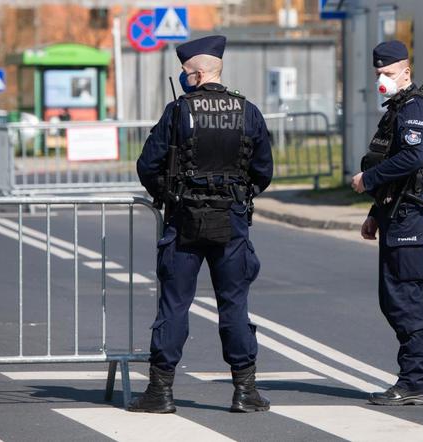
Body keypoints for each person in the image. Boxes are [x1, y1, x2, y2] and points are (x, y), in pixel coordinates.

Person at [131, 35, 274, 414]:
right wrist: (239, 195)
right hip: (232, 220)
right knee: (234, 306)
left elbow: (147, 165)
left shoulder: (178, 112)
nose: (182, 78)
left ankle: (160, 392)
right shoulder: (248, 111)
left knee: (174, 305)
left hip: (184, 221)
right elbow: (264, 171)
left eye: (183, 72)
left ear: (194, 74)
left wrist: (168, 194)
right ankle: (245, 392)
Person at [351, 40, 423, 406]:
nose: (381, 80)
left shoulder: (414, 106)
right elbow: (393, 162)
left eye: (387, 73)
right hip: (394, 212)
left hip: (410, 215)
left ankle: (415, 382)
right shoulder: (396, 109)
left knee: (404, 299)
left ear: (405, 71)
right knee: (393, 298)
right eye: (377, 75)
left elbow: (412, 159)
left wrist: (367, 180)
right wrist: (375, 212)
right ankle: (412, 380)